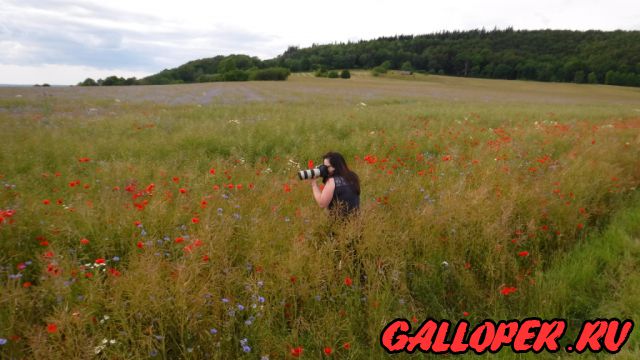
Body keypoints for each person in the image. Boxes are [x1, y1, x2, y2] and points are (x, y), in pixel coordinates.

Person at [310, 151, 360, 219]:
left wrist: (313, 183)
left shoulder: (332, 181)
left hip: (338, 223)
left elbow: (322, 203)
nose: (325, 170)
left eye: (327, 167)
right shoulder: (353, 177)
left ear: (336, 166)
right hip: (355, 221)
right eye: (324, 166)